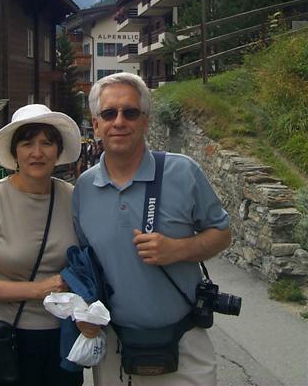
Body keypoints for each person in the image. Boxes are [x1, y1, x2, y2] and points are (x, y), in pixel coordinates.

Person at [72, 73, 231, 386]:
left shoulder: (182, 171)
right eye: (109, 113)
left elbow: (222, 233)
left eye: (130, 112)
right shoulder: (83, 188)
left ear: (145, 121)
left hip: (183, 345)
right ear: (96, 124)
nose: (119, 121)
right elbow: (83, 265)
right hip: (114, 350)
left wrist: (178, 249)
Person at [0, 104, 94, 386]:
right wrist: (38, 289)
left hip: (64, 337)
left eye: (47, 143)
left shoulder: (72, 196)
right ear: (15, 153)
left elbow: (87, 263)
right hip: (10, 337)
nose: (37, 152)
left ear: (58, 152)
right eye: (27, 143)